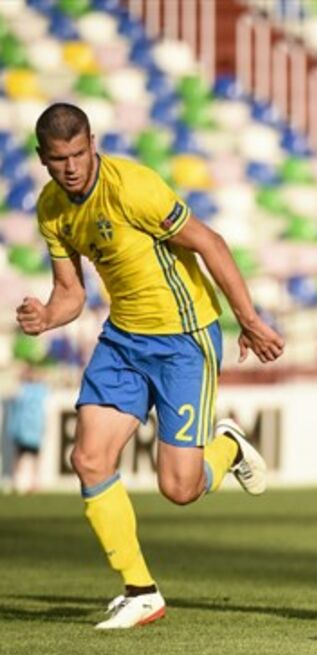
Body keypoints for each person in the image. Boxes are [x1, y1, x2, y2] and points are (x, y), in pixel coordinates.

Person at [17, 103, 285, 628]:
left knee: (179, 489)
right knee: (89, 459)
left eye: (78, 154)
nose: (70, 167)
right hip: (123, 341)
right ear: (42, 158)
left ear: (93, 143)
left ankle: (227, 446)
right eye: (58, 158)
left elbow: (209, 242)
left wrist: (249, 321)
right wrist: (47, 315)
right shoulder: (51, 208)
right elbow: (70, 293)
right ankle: (141, 591)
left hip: (183, 339)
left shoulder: (133, 188)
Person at [5, 365, 49, 495]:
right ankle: (16, 481)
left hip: (31, 430)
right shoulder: (24, 389)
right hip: (25, 430)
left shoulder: (37, 390)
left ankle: (34, 482)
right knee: (20, 456)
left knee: (32, 457)